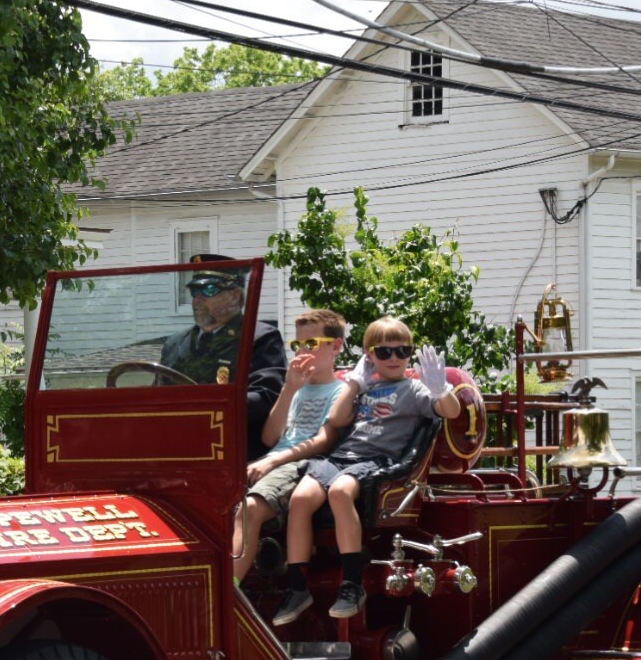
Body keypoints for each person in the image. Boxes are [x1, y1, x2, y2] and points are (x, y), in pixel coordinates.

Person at [273, 317, 461, 625]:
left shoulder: (414, 389)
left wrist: (441, 391)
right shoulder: (363, 386)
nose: (394, 359)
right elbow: (336, 419)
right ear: (368, 355)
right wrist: (355, 383)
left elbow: (449, 412)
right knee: (299, 499)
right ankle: (297, 587)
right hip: (342, 457)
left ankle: (352, 583)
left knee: (339, 491)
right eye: (384, 352)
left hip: (378, 461)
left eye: (402, 351)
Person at [233, 309, 354, 583]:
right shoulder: (296, 389)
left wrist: (272, 461)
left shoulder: (342, 391)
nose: (302, 351)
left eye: (310, 344)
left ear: (335, 346)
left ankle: (228, 595)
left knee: (250, 509)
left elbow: (324, 440)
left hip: (304, 466)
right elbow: (270, 437)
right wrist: (288, 389)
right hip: (275, 460)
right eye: (296, 345)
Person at [158, 254, 286, 459]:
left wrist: (205, 407)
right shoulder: (175, 343)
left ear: (235, 296)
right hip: (177, 448)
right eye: (194, 291)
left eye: (209, 290)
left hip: (231, 450)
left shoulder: (258, 337)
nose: (197, 300)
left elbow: (266, 397)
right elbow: (157, 394)